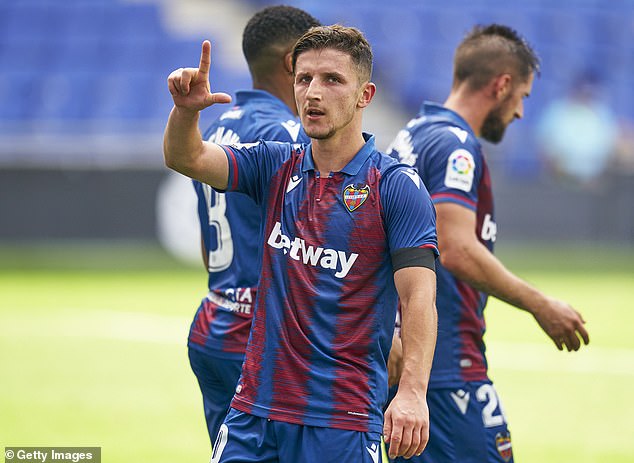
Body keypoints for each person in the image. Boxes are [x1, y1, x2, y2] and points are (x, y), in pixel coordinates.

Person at [165, 24, 439, 462]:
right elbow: (187, 157)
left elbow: (419, 299)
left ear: (365, 95)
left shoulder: (395, 186)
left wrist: (412, 392)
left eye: (332, 80)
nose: (313, 92)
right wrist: (185, 112)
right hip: (253, 412)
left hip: (342, 420)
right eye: (304, 79)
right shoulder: (273, 163)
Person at [386, 24, 590, 463]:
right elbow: (456, 248)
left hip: (411, 358)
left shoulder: (413, 133)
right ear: (501, 86)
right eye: (522, 96)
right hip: (445, 365)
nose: (520, 112)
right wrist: (540, 304)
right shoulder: (455, 144)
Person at [186, 5, 320, 448]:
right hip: (263, 339)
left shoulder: (218, 127)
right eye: (313, 64)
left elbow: (208, 244)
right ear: (292, 63)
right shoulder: (287, 134)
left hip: (215, 320)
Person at [536, 70, 619, 187]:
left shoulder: (602, 113)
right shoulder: (557, 110)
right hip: (559, 180)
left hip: (594, 182)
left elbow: (612, 149)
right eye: (583, 90)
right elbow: (543, 145)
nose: (585, 95)